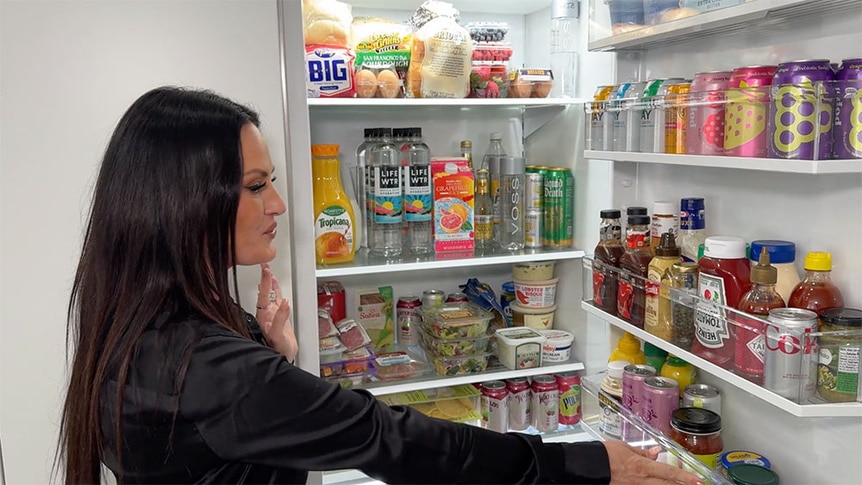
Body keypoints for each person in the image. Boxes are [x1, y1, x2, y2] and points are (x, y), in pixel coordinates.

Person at [57, 86, 702, 485]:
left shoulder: (135, 322)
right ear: (185, 202)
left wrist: (269, 352)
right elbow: (388, 438)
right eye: (256, 186)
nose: (279, 203)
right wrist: (585, 464)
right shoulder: (213, 371)